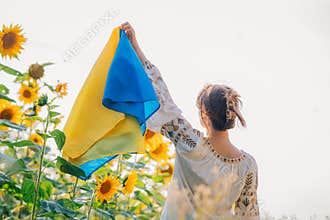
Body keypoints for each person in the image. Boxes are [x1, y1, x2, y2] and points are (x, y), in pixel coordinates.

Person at [120, 22, 260, 220]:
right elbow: (248, 216)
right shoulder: (248, 166)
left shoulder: (189, 143)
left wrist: (135, 47)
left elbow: (162, 99)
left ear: (204, 115)